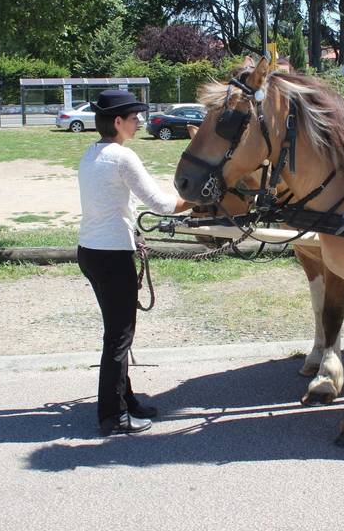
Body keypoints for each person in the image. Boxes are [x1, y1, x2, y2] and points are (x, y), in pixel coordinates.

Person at [77, 90, 193, 436]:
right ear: (117, 122)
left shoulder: (91, 152)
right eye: (134, 117)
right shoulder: (122, 157)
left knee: (118, 335)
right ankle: (113, 417)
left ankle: (125, 400)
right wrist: (200, 202)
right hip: (111, 256)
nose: (140, 122)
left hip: (92, 251)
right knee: (118, 337)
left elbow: (111, 205)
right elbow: (160, 204)